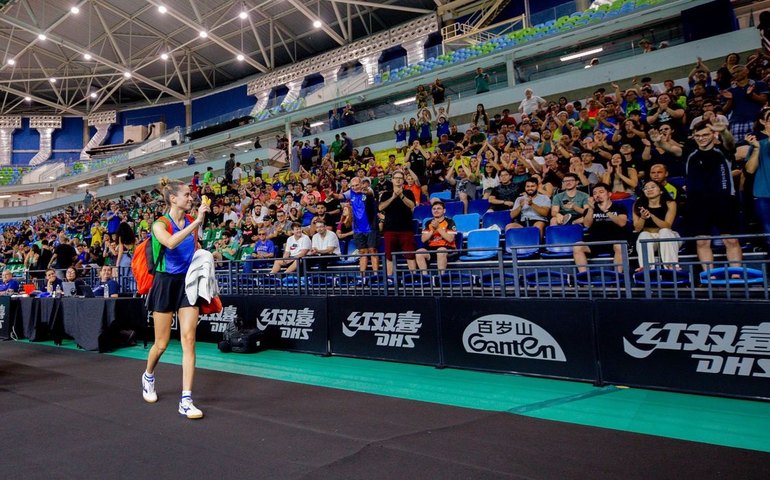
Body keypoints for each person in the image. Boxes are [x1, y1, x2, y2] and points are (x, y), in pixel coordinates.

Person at [143, 177, 210, 419]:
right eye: (187, 195)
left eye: (191, 195)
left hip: (187, 284)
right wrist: (198, 223)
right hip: (164, 283)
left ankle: (186, 399)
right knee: (161, 344)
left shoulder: (191, 222)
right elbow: (170, 243)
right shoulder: (160, 224)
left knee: (189, 339)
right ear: (173, 199)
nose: (191, 198)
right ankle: (148, 375)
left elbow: (195, 249)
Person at [684, 121, 742, 272]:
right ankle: (709, 276)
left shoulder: (722, 150)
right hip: (698, 204)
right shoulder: (690, 154)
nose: (701, 138)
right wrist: (659, 142)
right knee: (702, 242)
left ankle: (736, 274)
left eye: (705, 135)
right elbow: (669, 148)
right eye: (697, 136)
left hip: (724, 201)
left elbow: (730, 144)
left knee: (731, 239)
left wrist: (724, 131)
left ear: (713, 135)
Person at [572, 183, 629, 273]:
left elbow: (622, 223)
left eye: (601, 192)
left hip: (614, 241)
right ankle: (584, 276)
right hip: (595, 242)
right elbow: (587, 225)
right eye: (594, 193)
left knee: (620, 246)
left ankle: (618, 277)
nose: (597, 195)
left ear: (609, 194)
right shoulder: (589, 210)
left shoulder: (619, 207)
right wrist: (591, 209)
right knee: (577, 247)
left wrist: (606, 211)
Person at [633, 180, 680, 270]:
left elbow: (667, 226)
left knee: (664, 231)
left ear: (661, 190)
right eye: (646, 188)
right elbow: (637, 228)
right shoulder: (638, 204)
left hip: (669, 237)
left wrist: (652, 216)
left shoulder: (670, 203)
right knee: (643, 235)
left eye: (653, 187)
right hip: (651, 238)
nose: (649, 189)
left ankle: (671, 266)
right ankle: (646, 268)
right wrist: (643, 217)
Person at [378, 170, 417, 276]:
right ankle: (390, 278)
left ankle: (413, 277)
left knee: (410, 255)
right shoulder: (386, 194)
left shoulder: (408, 192)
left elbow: (412, 206)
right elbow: (380, 207)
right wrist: (393, 197)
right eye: (396, 178)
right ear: (392, 180)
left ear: (403, 180)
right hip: (390, 229)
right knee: (389, 256)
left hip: (406, 229)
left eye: (400, 178)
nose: (398, 180)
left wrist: (401, 196)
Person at [340, 177, 379, 272]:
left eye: (357, 185)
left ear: (361, 184)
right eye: (352, 186)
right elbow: (339, 196)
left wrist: (363, 190)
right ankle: (363, 276)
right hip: (358, 228)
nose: (354, 187)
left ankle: (376, 276)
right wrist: (332, 194)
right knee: (362, 252)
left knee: (373, 251)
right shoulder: (351, 193)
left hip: (370, 226)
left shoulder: (368, 191)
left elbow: (369, 193)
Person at [745, 125, 770, 249]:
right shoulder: (758, 145)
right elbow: (750, 170)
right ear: (765, 124)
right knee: (769, 234)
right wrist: (756, 149)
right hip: (763, 194)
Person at [416, 200, 457, 273]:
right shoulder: (428, 223)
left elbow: (450, 239)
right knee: (419, 252)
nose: (436, 210)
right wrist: (432, 230)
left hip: (447, 248)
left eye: (439, 208)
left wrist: (438, 228)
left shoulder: (450, 221)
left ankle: (441, 277)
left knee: (440, 250)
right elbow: (423, 239)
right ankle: (425, 277)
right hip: (431, 248)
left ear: (444, 211)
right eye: (434, 209)